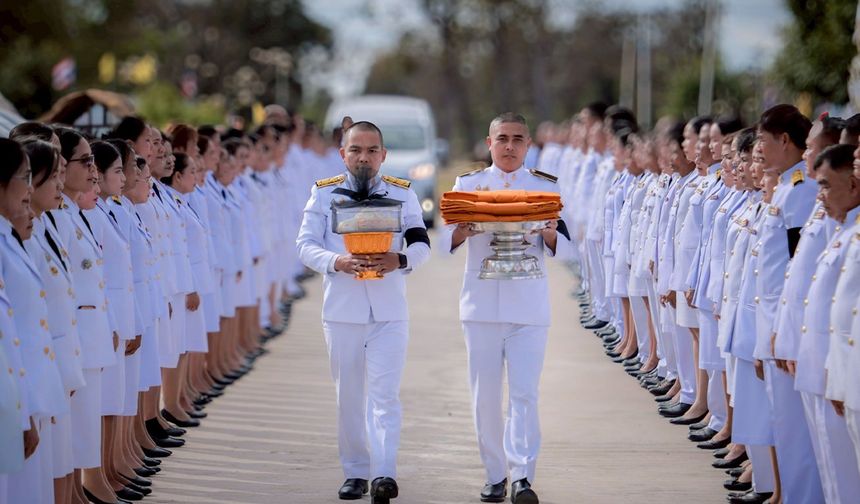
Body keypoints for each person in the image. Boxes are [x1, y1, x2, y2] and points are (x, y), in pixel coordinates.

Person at [437, 112, 571, 504]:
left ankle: (522, 476)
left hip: (528, 305)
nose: (509, 146)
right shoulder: (469, 185)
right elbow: (444, 245)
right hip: (480, 304)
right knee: (485, 395)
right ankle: (495, 474)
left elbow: (569, 247)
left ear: (528, 145)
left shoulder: (546, 188)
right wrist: (464, 228)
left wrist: (548, 233)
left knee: (525, 394)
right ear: (489, 142)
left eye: (517, 139)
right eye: (502, 139)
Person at [296, 120, 430, 503]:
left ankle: (384, 473)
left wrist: (400, 258)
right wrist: (336, 261)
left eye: (372, 151)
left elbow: (421, 244)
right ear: (343, 154)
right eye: (356, 150)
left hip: (389, 311)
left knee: (385, 396)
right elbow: (304, 245)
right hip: (342, 311)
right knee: (349, 396)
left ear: (383, 156)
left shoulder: (403, 194)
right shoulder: (323, 194)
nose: (364, 158)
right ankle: (355, 471)